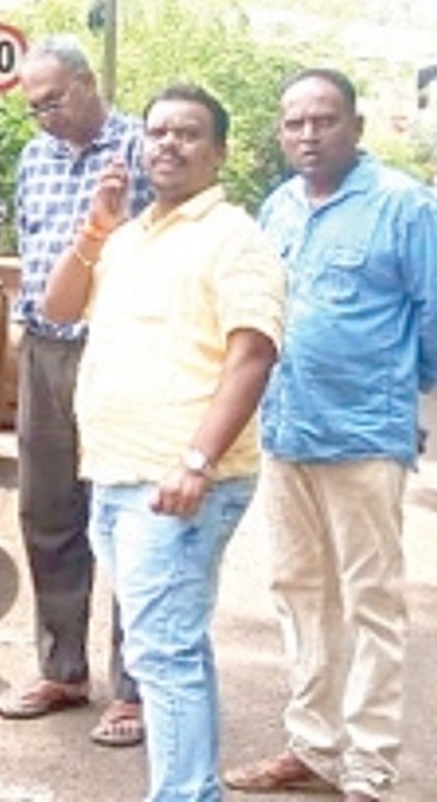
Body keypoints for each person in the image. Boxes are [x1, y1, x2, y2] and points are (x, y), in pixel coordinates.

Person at [225, 68, 437, 802]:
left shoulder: (403, 206)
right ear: (280, 131)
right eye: (295, 121)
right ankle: (311, 745)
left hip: (364, 436)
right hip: (286, 430)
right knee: (298, 591)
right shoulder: (277, 209)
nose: (309, 133)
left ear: (355, 127)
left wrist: (397, 388)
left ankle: (368, 767)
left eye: (324, 120)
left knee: (371, 601)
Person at [43, 82, 285, 802]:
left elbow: (253, 353)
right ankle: (194, 787)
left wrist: (196, 461)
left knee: (161, 653)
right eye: (156, 132)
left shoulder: (233, 235)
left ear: (219, 152)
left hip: (177, 481)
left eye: (187, 133)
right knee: (173, 644)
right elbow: (57, 308)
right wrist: (94, 227)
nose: (168, 145)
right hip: (118, 474)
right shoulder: (128, 234)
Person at [0, 35, 152, 748]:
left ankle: (136, 687)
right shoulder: (32, 159)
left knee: (125, 514)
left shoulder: (143, 151)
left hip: (119, 351)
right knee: (47, 509)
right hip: (46, 353)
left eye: (54, 101)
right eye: (34, 108)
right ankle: (62, 668)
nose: (45, 118)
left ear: (89, 83)